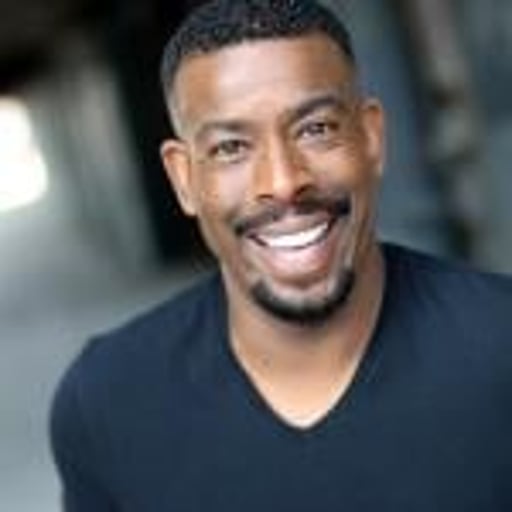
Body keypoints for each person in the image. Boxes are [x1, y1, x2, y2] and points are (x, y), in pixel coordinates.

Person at [50, 1, 512, 510]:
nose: (284, 182)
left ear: (372, 138)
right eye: (231, 147)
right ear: (184, 179)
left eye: (316, 129)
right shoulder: (109, 402)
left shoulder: (499, 347)